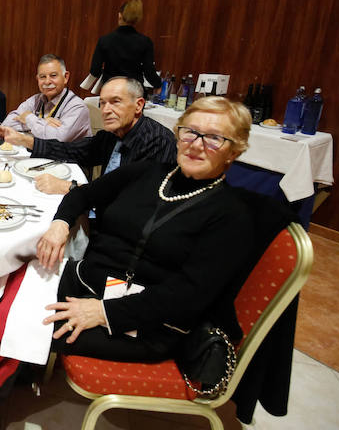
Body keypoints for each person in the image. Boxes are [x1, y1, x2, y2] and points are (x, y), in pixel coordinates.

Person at [38, 97, 253, 363]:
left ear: (234, 151)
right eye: (191, 132)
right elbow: (82, 195)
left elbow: (187, 295)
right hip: (92, 280)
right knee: (0, 291)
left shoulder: (232, 214)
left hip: (147, 323)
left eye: (214, 138)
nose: (196, 144)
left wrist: (104, 313)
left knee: (22, 324)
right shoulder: (149, 172)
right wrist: (60, 224)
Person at [0, 77, 176, 194]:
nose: (106, 110)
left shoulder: (157, 141)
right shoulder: (111, 135)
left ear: (139, 105)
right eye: (102, 103)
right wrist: (24, 140)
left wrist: (69, 187)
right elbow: (71, 151)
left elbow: (130, 199)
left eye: (115, 102)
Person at [2, 54, 90, 142]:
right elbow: (6, 124)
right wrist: (42, 121)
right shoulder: (35, 100)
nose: (47, 82)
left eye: (53, 75)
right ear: (37, 79)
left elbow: (58, 138)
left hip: (66, 155)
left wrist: (28, 118)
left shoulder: (77, 107)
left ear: (65, 77)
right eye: (43, 77)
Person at [81, 0, 161, 93]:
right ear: (137, 20)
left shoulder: (105, 40)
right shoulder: (145, 42)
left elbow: (95, 70)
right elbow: (149, 73)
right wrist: (158, 84)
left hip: (110, 90)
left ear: (119, 15)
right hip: (133, 92)